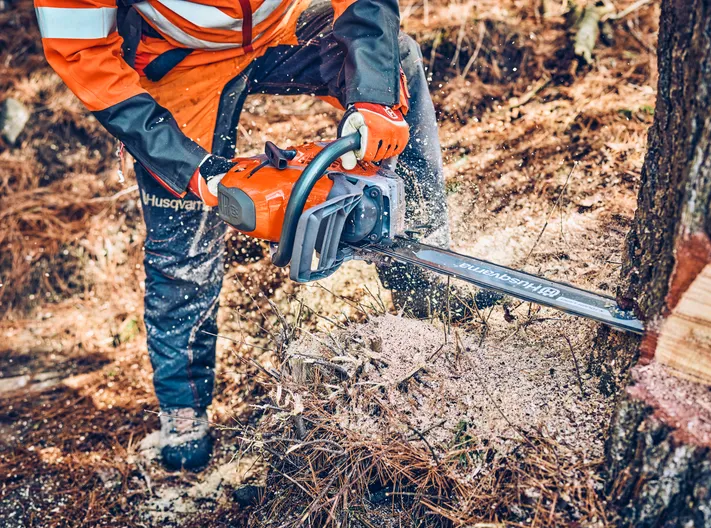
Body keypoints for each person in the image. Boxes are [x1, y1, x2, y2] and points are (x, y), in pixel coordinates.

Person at [35, 0, 457, 472]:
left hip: (280, 27)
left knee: (393, 60)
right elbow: (81, 52)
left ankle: (425, 285)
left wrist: (373, 97)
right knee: (182, 247)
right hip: (178, 57)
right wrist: (189, 168)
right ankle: (183, 411)